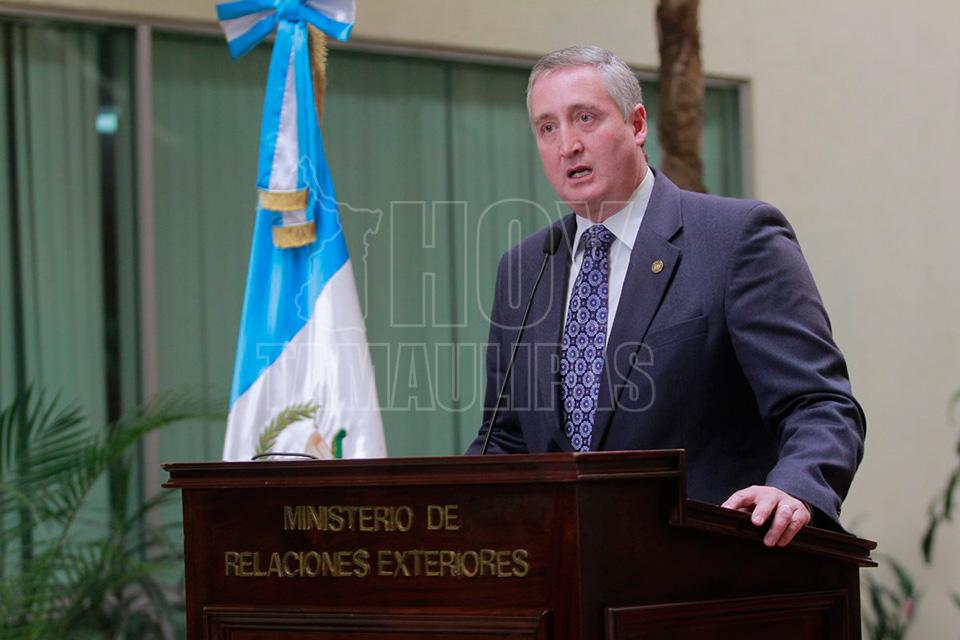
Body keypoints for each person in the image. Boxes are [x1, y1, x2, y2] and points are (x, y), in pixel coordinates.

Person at [466, 46, 865, 548]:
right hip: (566, 569)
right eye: (547, 127)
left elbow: (819, 403)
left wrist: (796, 488)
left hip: (708, 562)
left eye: (584, 118)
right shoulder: (525, 268)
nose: (567, 144)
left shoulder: (735, 238)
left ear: (636, 125)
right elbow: (505, 439)